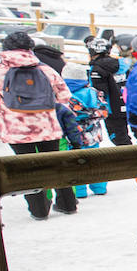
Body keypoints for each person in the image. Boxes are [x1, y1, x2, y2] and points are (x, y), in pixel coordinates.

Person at [0, 30, 78, 218]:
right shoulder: (45, 69)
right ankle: (68, 204)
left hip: (16, 130)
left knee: (27, 170)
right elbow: (64, 96)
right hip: (47, 128)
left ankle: (39, 210)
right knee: (54, 164)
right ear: (30, 48)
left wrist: (4, 98)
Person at [60, 65, 109, 197]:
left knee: (76, 163)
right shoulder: (93, 92)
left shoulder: (64, 95)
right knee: (94, 162)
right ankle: (99, 187)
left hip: (73, 136)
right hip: (93, 135)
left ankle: (80, 190)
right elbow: (104, 111)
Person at [85, 36, 132, 146]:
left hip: (112, 109)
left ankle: (131, 160)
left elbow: (99, 92)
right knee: (130, 136)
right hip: (128, 103)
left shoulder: (97, 69)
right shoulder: (122, 64)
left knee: (118, 138)